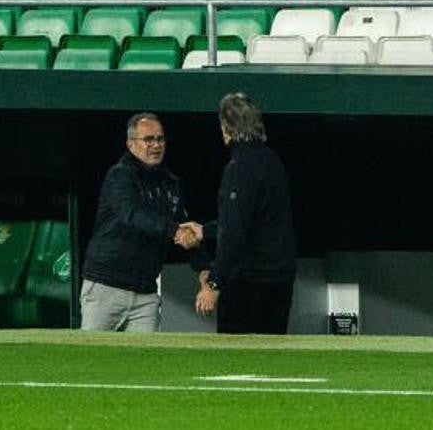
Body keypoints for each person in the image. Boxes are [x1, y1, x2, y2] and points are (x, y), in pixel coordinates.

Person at [185, 92, 296, 335]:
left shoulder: (239, 167)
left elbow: (234, 232)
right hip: (279, 277)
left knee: (236, 360)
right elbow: (255, 220)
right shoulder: (272, 160)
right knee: (272, 357)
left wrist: (214, 283)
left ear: (226, 127)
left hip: (249, 281)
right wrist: (204, 231)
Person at [80, 113, 195, 332]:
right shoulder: (119, 176)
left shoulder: (170, 183)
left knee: (145, 361)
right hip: (106, 286)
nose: (156, 145)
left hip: (146, 293)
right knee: (91, 358)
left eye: (160, 139)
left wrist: (203, 268)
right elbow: (131, 214)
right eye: (148, 139)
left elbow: (183, 225)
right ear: (130, 144)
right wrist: (174, 231)